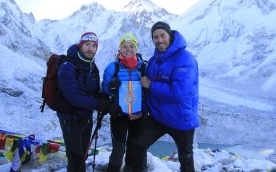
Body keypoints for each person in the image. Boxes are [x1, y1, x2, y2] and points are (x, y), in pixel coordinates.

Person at [125, 22, 199, 172]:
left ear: (170, 35)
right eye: (155, 37)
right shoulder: (154, 60)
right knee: (137, 145)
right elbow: (147, 90)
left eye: (162, 35)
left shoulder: (185, 59)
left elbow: (178, 93)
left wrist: (151, 84)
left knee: (185, 157)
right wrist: (141, 109)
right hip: (159, 116)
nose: (159, 40)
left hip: (181, 118)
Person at [56, 32, 122, 172]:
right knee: (75, 159)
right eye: (87, 44)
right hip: (71, 120)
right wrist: (99, 104)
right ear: (80, 45)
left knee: (83, 156)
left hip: (86, 119)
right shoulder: (68, 66)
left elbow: (93, 93)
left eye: (94, 46)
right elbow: (73, 97)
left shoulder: (92, 67)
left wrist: (105, 97)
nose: (90, 48)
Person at [102, 32, 146, 172]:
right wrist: (111, 87)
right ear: (120, 49)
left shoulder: (143, 67)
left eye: (131, 46)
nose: (128, 49)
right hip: (119, 115)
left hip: (138, 115)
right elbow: (105, 91)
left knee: (137, 148)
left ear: (136, 48)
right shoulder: (112, 68)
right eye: (125, 46)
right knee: (118, 149)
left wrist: (143, 111)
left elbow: (149, 93)